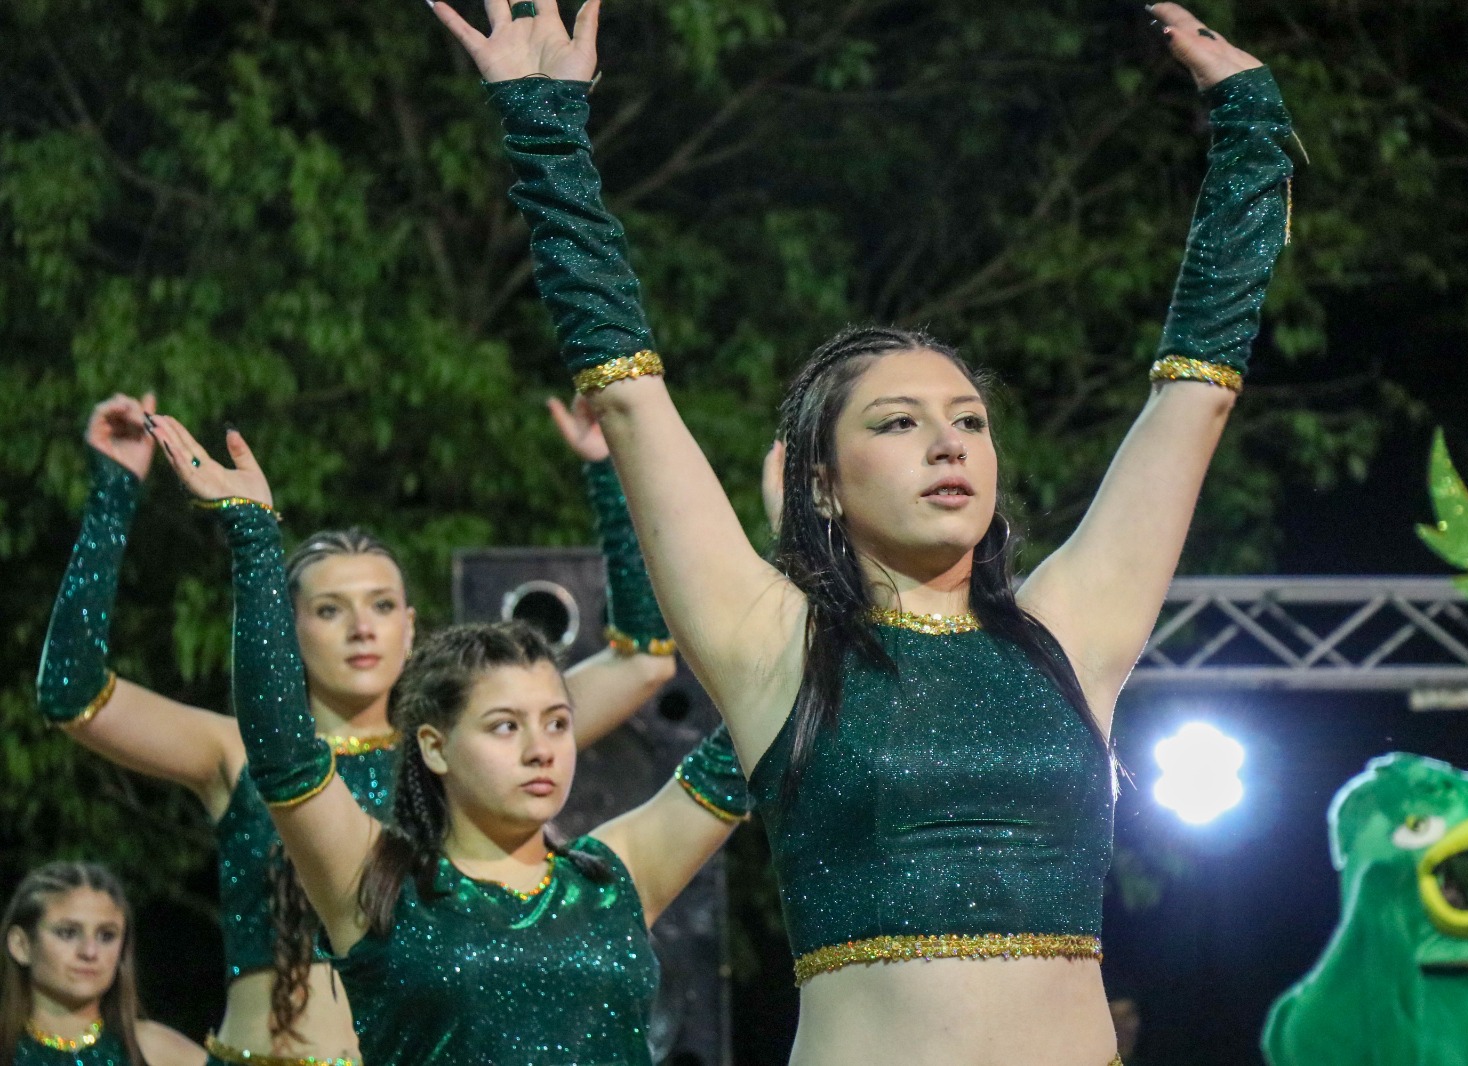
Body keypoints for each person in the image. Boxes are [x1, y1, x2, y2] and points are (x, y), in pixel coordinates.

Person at [436, 0, 1296, 1062]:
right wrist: (544, 129)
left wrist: (1252, 135)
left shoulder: (1067, 631)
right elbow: (628, 400)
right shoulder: (777, 649)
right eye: (897, 423)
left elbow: (1193, 399)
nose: (948, 444)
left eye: (969, 422)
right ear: (825, 487)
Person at [34, 393, 678, 1064]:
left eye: (380, 605)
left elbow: (643, 661)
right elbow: (73, 694)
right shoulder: (233, 751)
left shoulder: (476, 745)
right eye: (330, 610)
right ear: (283, 629)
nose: (362, 628)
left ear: (410, 624)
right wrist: (113, 496)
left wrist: (606, 469)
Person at [2, 861, 203, 1066]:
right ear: (21, 946)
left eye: (106, 936)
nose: (90, 952)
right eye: (68, 933)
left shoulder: (154, 1050)